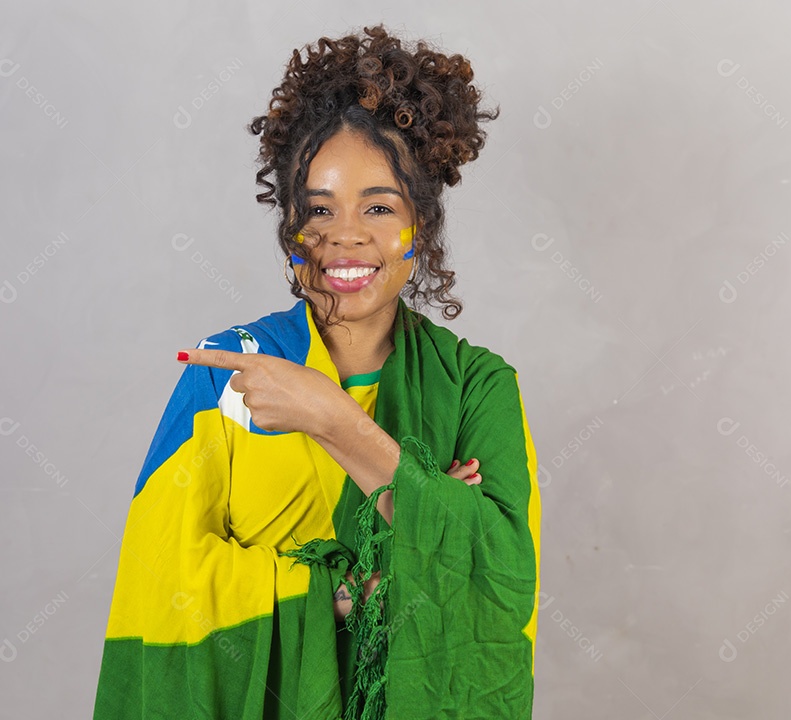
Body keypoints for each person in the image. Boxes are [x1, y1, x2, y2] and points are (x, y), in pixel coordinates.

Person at [92, 23, 541, 720]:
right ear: (291, 229)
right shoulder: (229, 375)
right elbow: (163, 585)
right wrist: (369, 570)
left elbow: (498, 579)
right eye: (319, 209)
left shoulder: (477, 387)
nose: (347, 235)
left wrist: (328, 417)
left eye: (380, 208)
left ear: (420, 226)